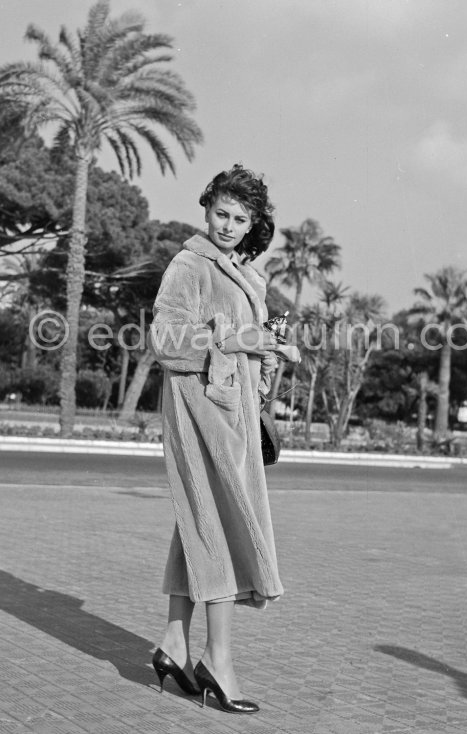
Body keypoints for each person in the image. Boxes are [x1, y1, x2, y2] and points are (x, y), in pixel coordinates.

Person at [149, 164, 299, 714]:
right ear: (206, 208)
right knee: (222, 526)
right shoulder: (189, 265)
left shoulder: (242, 272)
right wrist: (240, 339)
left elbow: (246, 344)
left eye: (240, 218)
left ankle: (172, 642)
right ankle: (219, 660)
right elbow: (166, 341)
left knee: (198, 518)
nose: (229, 226)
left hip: (233, 411)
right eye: (221, 213)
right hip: (199, 408)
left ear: (253, 222)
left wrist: (270, 351)